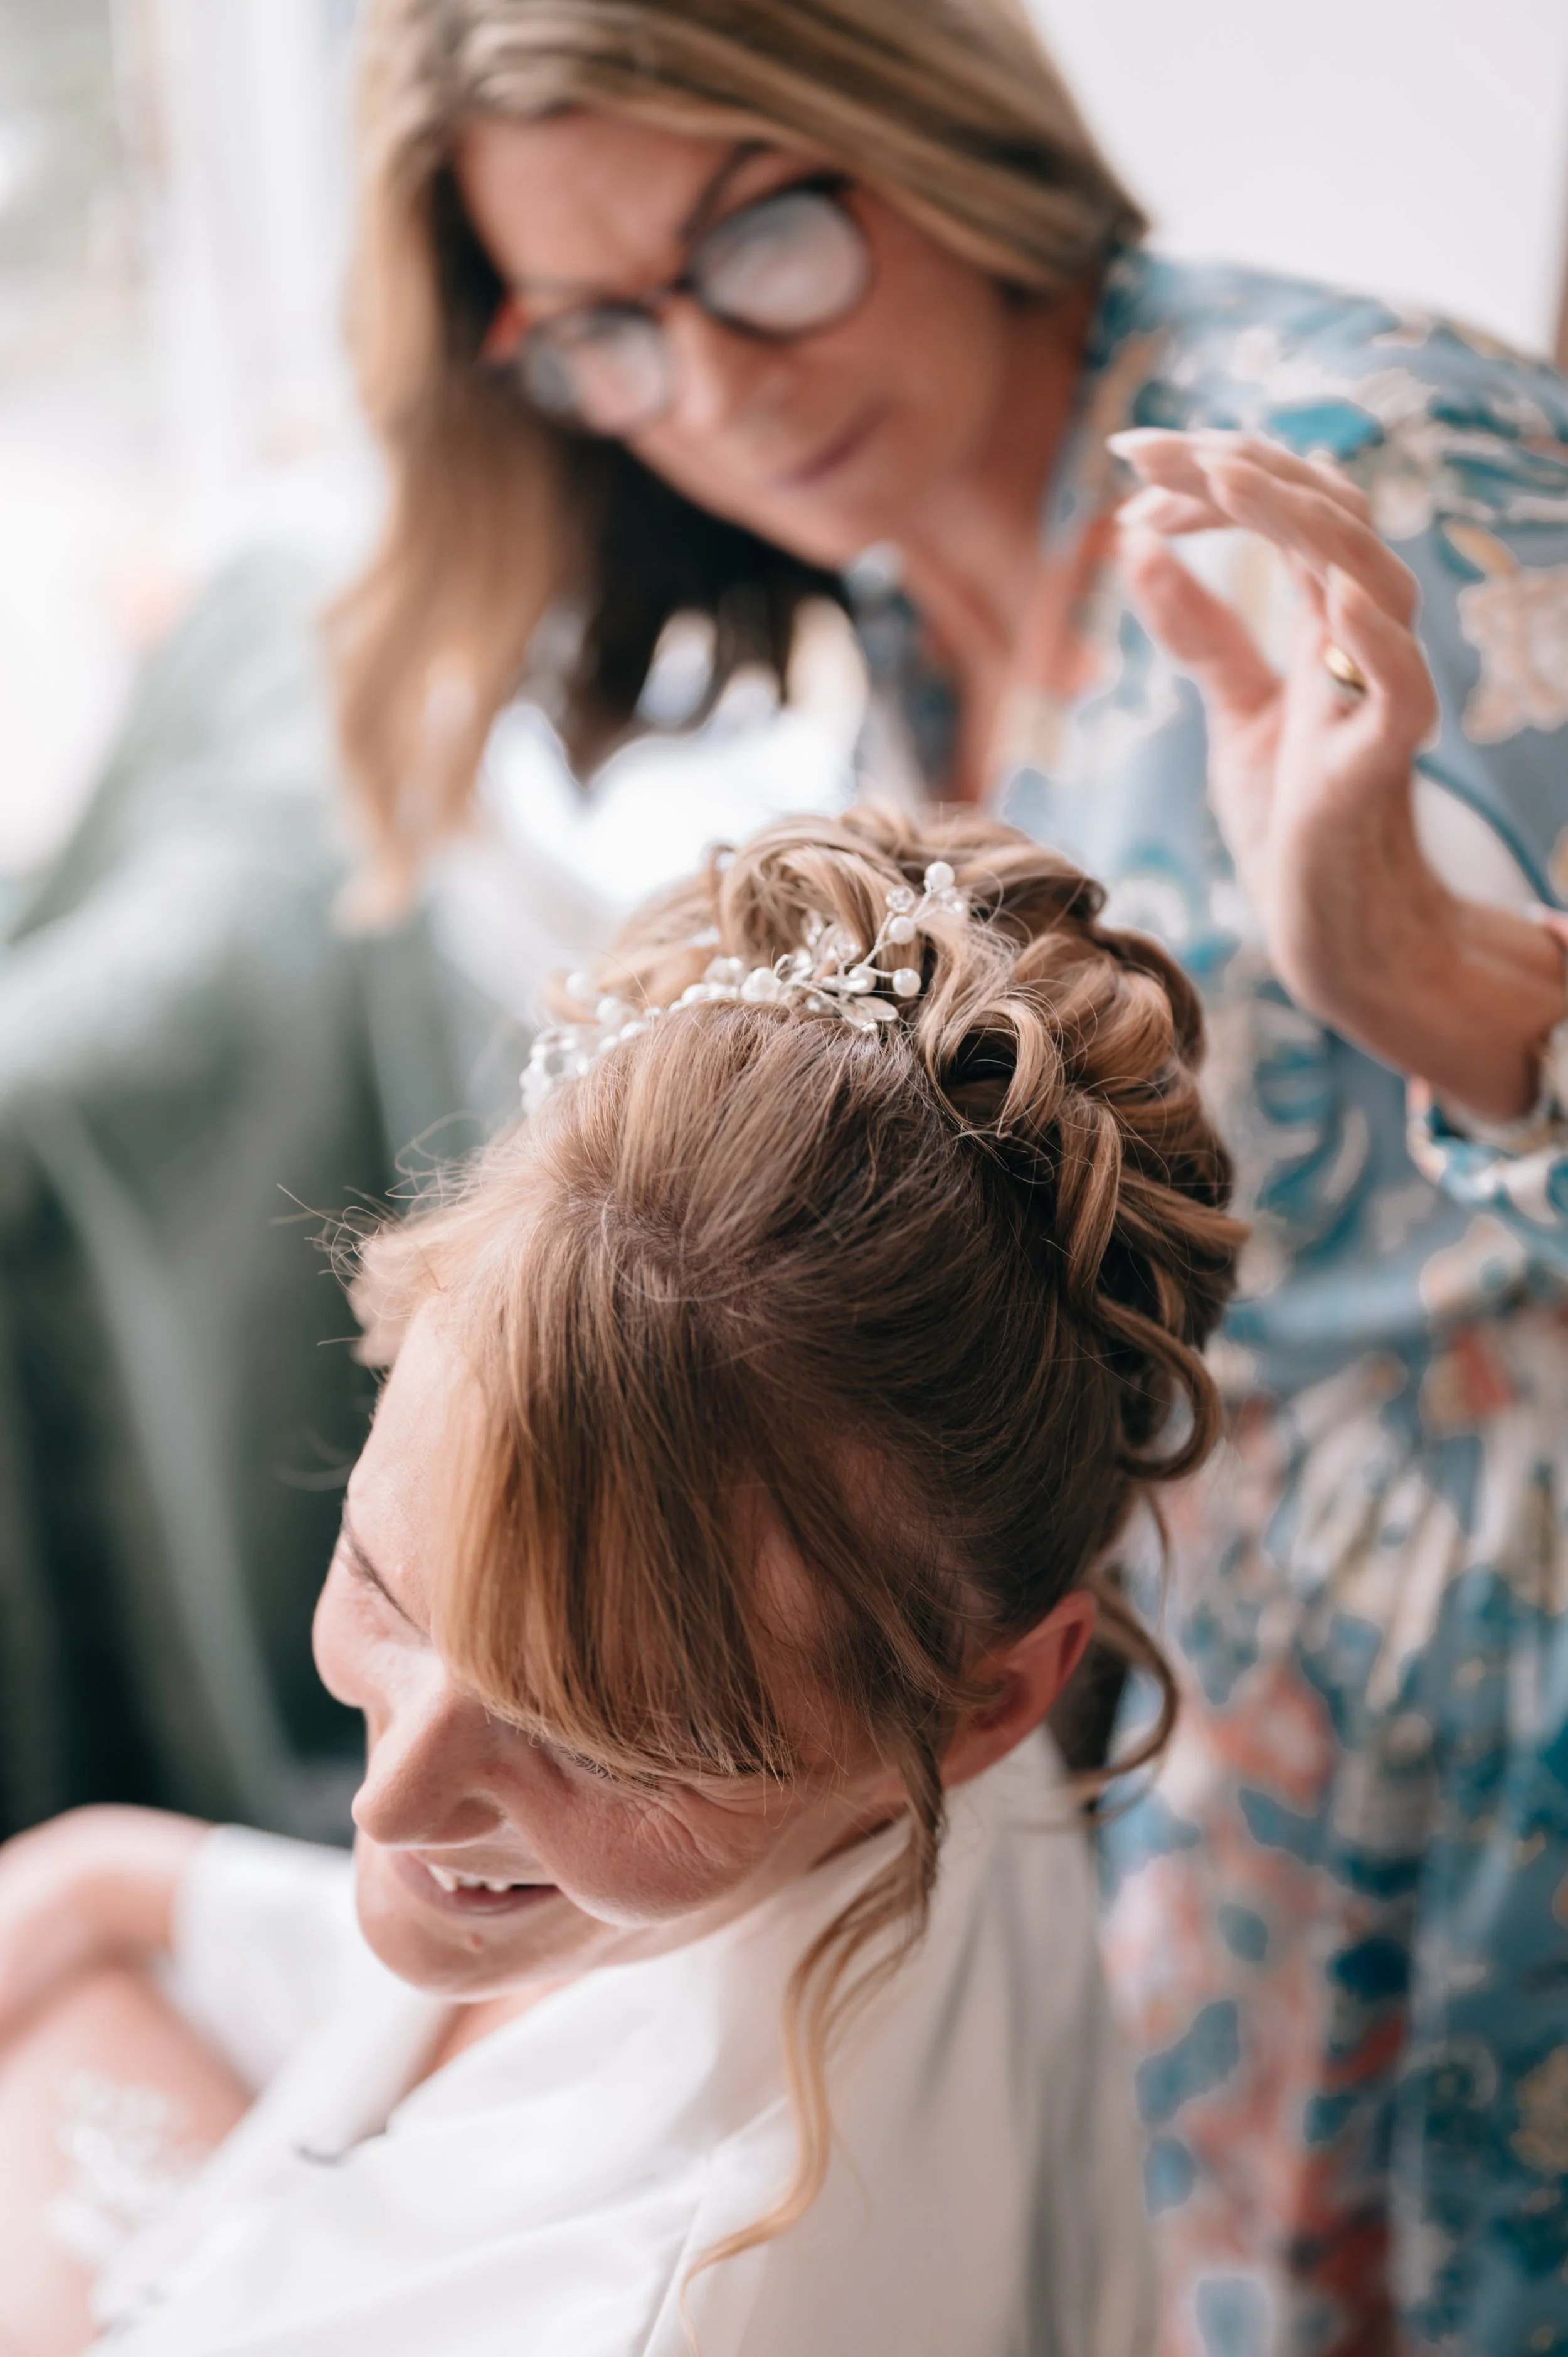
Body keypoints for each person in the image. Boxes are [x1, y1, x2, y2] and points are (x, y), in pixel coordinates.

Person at [322, 6, 1568, 2353]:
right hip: (1227, 1682)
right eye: (603, 331)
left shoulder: (1361, 474)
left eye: (761, 236)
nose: (716, 387)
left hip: (1520, 1683)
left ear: (922, 114)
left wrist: (1417, 974)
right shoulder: (904, 575)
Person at [0, 806, 1236, 2356]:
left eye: (602, 1738)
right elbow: (289, 1936)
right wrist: (100, 1879)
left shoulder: (649, 2305)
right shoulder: (916, 1782)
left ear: (986, 1701)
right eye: (387, 1582)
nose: (386, 1805)